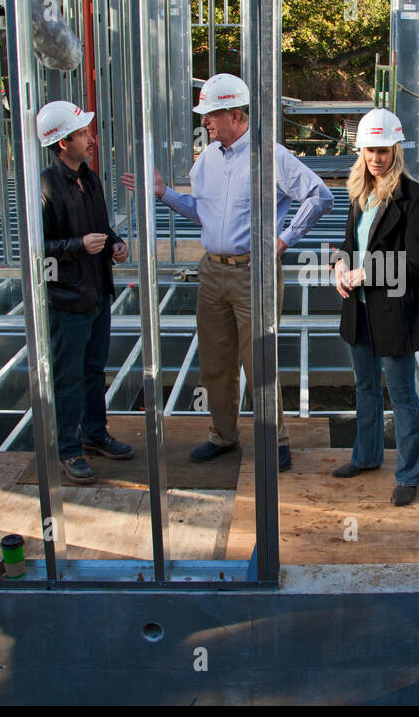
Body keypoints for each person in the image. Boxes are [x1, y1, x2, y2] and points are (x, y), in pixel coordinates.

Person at [123, 73, 333, 471]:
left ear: (236, 115)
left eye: (212, 115)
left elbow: (320, 196)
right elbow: (201, 213)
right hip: (212, 272)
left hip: (253, 273)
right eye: (204, 115)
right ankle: (223, 435)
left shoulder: (270, 156)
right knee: (216, 361)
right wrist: (164, 194)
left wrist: (282, 240)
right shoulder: (207, 162)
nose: (204, 122)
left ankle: (275, 440)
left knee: (259, 361)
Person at [332, 109, 419, 506]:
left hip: (395, 315)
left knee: (403, 395)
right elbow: (348, 242)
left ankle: (409, 475)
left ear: (396, 150)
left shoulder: (415, 198)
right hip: (359, 311)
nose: (376, 159)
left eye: (383, 151)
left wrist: (363, 275)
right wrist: (339, 264)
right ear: (361, 153)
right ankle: (367, 456)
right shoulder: (361, 192)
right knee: (365, 387)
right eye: (369, 152)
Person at [37, 100, 133, 484]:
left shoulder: (88, 178)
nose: (91, 139)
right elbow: (35, 249)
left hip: (97, 293)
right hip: (67, 300)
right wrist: (78, 246)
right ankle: (68, 449)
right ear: (62, 143)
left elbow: (102, 227)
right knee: (69, 377)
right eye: (82, 134)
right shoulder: (45, 186)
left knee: (94, 370)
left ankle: (95, 435)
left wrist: (115, 243)